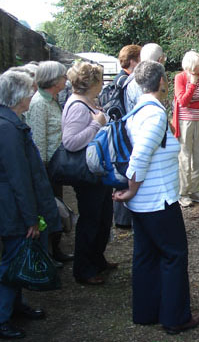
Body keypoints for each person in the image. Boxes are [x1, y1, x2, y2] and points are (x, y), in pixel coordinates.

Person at [113, 60, 199, 335]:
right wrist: (133, 188)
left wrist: (132, 194)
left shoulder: (138, 110)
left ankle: (146, 312)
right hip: (157, 200)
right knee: (174, 255)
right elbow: (140, 155)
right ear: (162, 81)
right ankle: (175, 318)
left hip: (144, 203)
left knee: (146, 255)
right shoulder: (154, 114)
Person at [0, 70, 61, 339]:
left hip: (5, 202)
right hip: (9, 205)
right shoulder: (5, 128)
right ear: (17, 97)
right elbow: (19, 178)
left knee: (15, 255)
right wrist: (30, 219)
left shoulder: (3, 121)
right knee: (12, 260)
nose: (30, 95)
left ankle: (14, 306)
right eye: (28, 91)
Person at [62, 61, 117, 285]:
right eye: (101, 79)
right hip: (87, 174)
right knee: (90, 221)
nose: (103, 83)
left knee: (103, 218)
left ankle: (97, 260)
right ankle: (84, 269)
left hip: (96, 171)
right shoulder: (76, 106)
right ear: (91, 83)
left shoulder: (86, 101)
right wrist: (96, 125)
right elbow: (70, 142)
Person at [26, 61, 74, 264]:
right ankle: (46, 255)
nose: (66, 80)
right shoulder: (39, 104)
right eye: (63, 76)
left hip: (54, 167)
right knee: (48, 210)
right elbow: (38, 141)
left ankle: (55, 250)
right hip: (46, 169)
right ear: (54, 80)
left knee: (55, 210)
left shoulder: (51, 100)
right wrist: (44, 173)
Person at [114, 43, 164, 229]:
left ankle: (128, 219)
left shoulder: (135, 79)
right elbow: (141, 155)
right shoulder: (141, 85)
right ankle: (128, 219)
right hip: (136, 137)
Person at [172, 51, 199, 207]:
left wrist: (192, 104)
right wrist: (192, 84)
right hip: (185, 123)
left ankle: (194, 190)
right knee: (184, 156)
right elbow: (182, 101)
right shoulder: (180, 78)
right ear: (190, 64)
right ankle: (183, 193)